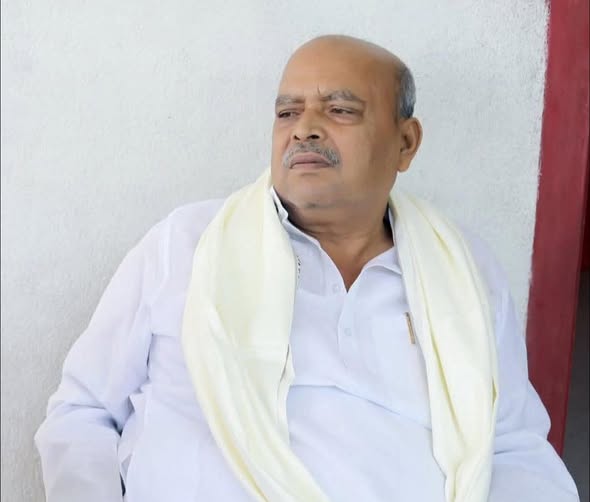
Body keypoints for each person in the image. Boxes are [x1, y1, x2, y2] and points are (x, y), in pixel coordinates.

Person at [35, 35, 579, 502]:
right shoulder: (185, 245)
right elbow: (83, 412)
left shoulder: (463, 274)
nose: (304, 130)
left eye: (339, 110)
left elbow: (514, 450)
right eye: (287, 113)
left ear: (405, 142)